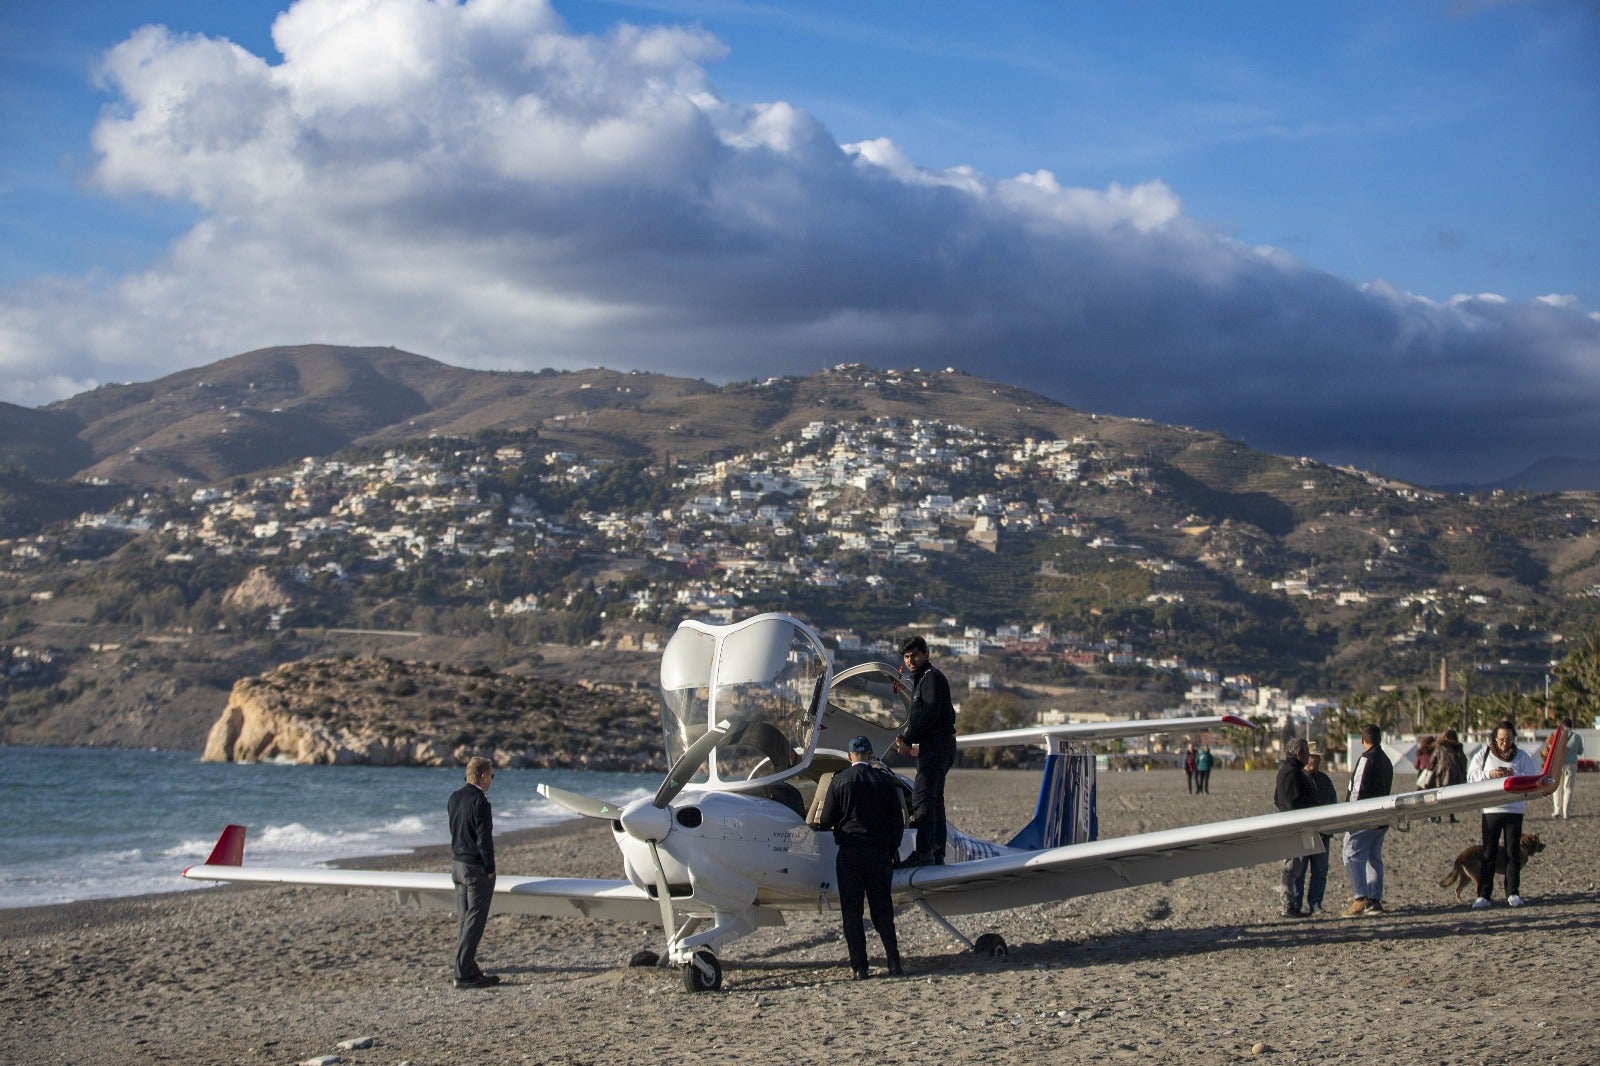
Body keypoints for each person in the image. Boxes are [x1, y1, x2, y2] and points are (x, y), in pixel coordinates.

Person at [813, 735, 905, 979]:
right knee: (882, 910)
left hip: (850, 853)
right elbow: (898, 821)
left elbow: (826, 819)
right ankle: (894, 962)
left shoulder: (839, 781)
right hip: (878, 853)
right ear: (871, 754)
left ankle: (860, 968)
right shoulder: (886, 781)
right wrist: (891, 847)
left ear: (850, 756)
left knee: (852, 913)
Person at [893, 636, 958, 866]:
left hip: (937, 745)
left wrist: (907, 739)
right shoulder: (922, 680)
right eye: (907, 657)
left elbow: (927, 714)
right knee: (933, 799)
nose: (911, 660)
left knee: (922, 798)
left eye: (915, 655)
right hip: (936, 746)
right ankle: (937, 852)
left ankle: (924, 853)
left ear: (926, 655)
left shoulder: (930, 678)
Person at [1468, 719, 1538, 908]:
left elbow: (1532, 779)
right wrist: (1489, 775)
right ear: (1494, 739)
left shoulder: (1523, 757)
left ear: (1514, 738)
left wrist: (1513, 775)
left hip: (1514, 809)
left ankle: (1513, 892)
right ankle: (1483, 895)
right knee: (1489, 852)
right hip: (1491, 809)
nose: (1504, 743)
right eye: (1501, 739)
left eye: (1508, 739)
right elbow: (1471, 777)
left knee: (1512, 852)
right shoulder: (1483, 754)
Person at [448, 756, 499, 988]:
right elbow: (483, 839)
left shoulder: (454, 798)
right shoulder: (481, 801)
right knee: (475, 919)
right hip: (474, 867)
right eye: (491, 776)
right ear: (482, 776)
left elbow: (456, 832)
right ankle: (464, 971)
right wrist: (490, 868)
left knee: (464, 919)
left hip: (456, 864)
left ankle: (465, 966)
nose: (491, 781)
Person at [1341, 724, 1393, 917]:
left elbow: (1357, 789)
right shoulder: (1386, 760)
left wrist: (1350, 815)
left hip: (1365, 817)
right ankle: (1374, 900)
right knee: (1373, 857)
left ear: (1362, 741)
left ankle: (1360, 897)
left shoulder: (1367, 759)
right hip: (1382, 816)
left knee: (1351, 854)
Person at [1273, 738, 1316, 917]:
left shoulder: (1288, 770)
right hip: (1293, 827)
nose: (1309, 756)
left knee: (1293, 867)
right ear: (1299, 754)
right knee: (1290, 868)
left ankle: (1290, 906)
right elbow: (1290, 802)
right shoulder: (1292, 773)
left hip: (1293, 824)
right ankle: (1287, 907)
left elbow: (1277, 799)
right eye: (1306, 752)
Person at [1301, 752, 1338, 914]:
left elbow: (1333, 802)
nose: (1313, 761)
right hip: (1302, 833)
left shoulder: (1324, 780)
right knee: (1298, 871)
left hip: (1322, 833)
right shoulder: (1298, 777)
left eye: (1316, 759)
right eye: (1311, 758)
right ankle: (1295, 904)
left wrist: (1329, 827)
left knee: (1320, 871)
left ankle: (1316, 903)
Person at [1432, 729, 1469, 823]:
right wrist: (1463, 774)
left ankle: (1438, 817)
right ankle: (1451, 817)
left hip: (1441, 775)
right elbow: (1463, 761)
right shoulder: (1458, 747)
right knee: (1451, 797)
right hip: (1455, 775)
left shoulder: (1439, 747)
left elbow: (1432, 761)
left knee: (1439, 797)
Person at [1551, 717, 1584, 820]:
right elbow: (1580, 751)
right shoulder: (1577, 737)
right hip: (1571, 765)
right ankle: (1566, 813)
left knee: (1557, 788)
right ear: (1571, 726)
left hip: (1558, 764)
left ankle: (1557, 811)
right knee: (1568, 788)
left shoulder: (1557, 736)